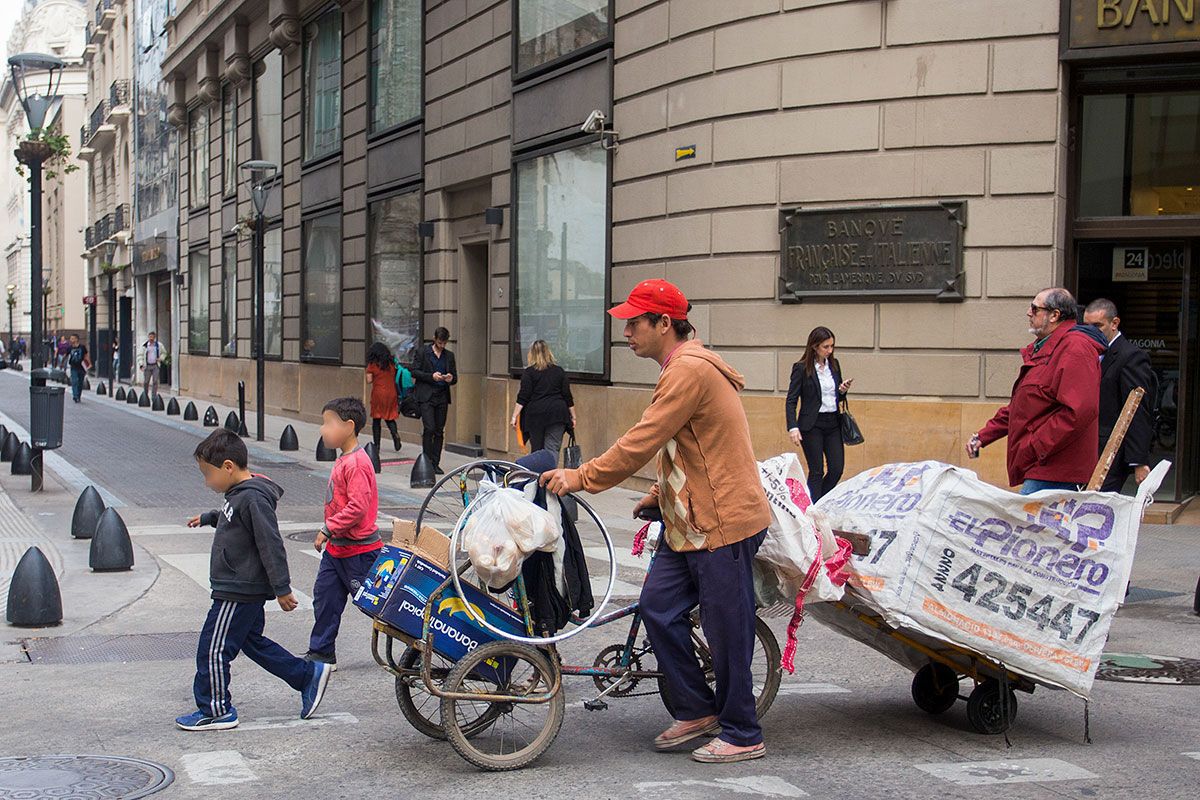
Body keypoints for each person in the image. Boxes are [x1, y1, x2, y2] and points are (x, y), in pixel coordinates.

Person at [541, 279, 771, 764]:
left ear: (665, 323)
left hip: (722, 521)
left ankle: (743, 732)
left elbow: (642, 440)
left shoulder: (688, 369)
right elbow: (681, 445)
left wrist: (580, 476)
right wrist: (656, 495)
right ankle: (696, 709)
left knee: (726, 628)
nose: (626, 331)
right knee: (658, 607)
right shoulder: (678, 367)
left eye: (634, 321)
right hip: (688, 520)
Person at [178, 428, 332, 731]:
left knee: (213, 649)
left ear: (228, 467)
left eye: (208, 474)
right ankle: (305, 676)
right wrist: (210, 517)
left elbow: (270, 543)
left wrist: (282, 588)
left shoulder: (253, 499)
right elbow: (233, 517)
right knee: (252, 643)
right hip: (238, 585)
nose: (207, 481)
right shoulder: (238, 495)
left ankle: (216, 709)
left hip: (238, 589)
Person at [968, 287, 1107, 494]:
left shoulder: (1075, 347)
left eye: (1035, 308)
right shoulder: (1047, 346)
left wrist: (1035, 446)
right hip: (1043, 465)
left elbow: (1079, 411)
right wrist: (984, 435)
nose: (1028, 313)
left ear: (1054, 315)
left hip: (1057, 469)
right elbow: (1023, 405)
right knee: (1027, 524)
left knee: (1022, 522)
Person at [307, 397, 382, 669]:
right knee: (325, 598)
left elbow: (358, 508)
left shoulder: (358, 463)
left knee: (377, 605)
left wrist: (328, 528)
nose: (322, 429)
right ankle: (321, 652)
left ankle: (418, 643)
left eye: (328, 423)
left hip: (360, 552)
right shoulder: (344, 460)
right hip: (337, 549)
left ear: (349, 426)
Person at [1082, 299, 1155, 493]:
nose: (1092, 331)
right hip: (1087, 447)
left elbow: (1136, 408)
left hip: (1111, 450)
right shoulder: (1087, 353)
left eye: (1097, 326)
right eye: (1087, 326)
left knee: (1095, 510)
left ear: (1114, 323)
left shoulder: (1131, 356)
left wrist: (1139, 460)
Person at [785, 326, 853, 502]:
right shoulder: (801, 368)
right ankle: (813, 511)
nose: (829, 351)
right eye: (825, 347)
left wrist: (842, 390)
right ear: (814, 346)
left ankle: (816, 503)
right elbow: (791, 400)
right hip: (812, 424)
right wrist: (793, 427)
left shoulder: (834, 365)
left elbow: (837, 395)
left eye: (832, 346)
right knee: (816, 471)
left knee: (836, 469)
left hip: (833, 423)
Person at [511, 340, 576, 463]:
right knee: (553, 449)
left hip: (536, 416)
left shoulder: (529, 373)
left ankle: (539, 479)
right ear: (548, 353)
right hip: (557, 414)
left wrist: (514, 416)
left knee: (537, 450)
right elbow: (567, 396)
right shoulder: (559, 371)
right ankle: (551, 480)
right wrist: (573, 416)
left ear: (531, 354)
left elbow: (523, 396)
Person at [411, 327, 456, 475]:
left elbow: (455, 378)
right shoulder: (423, 352)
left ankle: (435, 462)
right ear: (434, 339)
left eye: (444, 343)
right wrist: (431, 376)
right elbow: (415, 371)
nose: (442, 345)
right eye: (439, 342)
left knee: (439, 430)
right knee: (429, 428)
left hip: (442, 396)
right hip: (426, 396)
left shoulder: (449, 356)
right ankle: (426, 460)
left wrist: (450, 378)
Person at [365, 342, 402, 453]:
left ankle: (377, 445)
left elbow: (369, 380)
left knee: (377, 419)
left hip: (378, 394)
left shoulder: (373, 365)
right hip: (392, 393)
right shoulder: (391, 364)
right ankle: (395, 435)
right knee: (390, 417)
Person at [66, 334, 90, 403]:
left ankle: (78, 395)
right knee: (74, 381)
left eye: (72, 339)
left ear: (76, 339)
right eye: (71, 339)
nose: (71, 340)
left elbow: (86, 356)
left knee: (80, 382)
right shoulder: (70, 348)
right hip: (73, 367)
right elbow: (66, 356)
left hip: (82, 367)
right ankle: (75, 396)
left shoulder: (82, 347)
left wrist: (88, 365)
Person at [143, 331, 163, 397]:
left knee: (155, 381)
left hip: (155, 365)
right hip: (147, 365)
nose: (151, 338)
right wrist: (141, 364)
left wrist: (161, 358)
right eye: (150, 337)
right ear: (148, 337)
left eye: (152, 337)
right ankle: (145, 395)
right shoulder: (145, 346)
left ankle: (153, 396)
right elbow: (140, 355)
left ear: (155, 338)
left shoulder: (158, 345)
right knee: (146, 382)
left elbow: (164, 353)